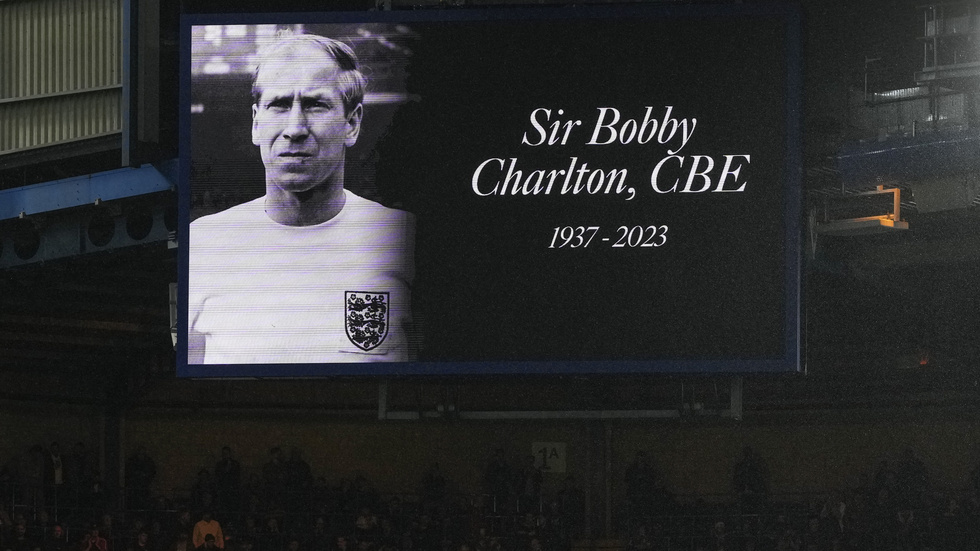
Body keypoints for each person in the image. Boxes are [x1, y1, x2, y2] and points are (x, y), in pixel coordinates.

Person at [188, 33, 415, 365]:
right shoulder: (203, 243)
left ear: (352, 124)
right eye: (279, 105)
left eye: (315, 104)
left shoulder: (405, 237)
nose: (295, 128)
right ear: (256, 123)